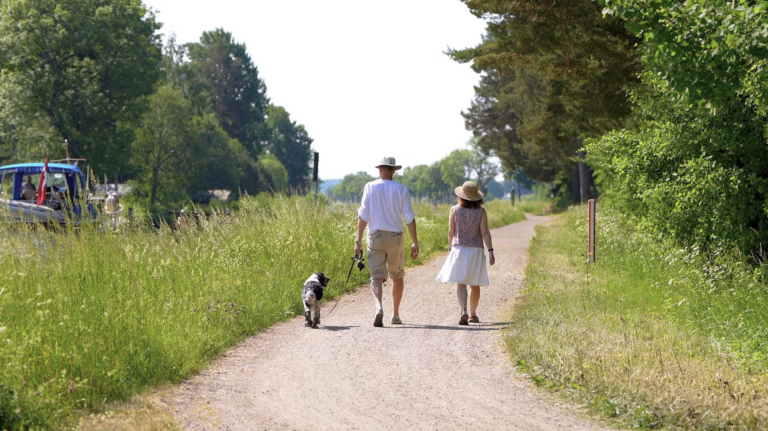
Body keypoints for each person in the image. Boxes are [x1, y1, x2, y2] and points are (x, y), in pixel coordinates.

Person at [355, 157, 419, 327]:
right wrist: (415, 242)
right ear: (393, 171)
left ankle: (378, 307)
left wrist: (358, 241)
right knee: (397, 276)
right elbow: (409, 217)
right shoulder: (401, 189)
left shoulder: (370, 186)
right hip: (395, 237)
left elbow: (363, 216)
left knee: (376, 275)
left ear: (380, 169)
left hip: (375, 236)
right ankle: (396, 315)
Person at [436, 181, 495, 325]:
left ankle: (463, 310)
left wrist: (450, 247)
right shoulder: (481, 211)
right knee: (475, 284)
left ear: (461, 196)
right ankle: (473, 315)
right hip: (475, 250)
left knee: (461, 283)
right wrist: (491, 250)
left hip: (459, 249)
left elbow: (451, 232)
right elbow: (485, 232)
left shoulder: (454, 209)